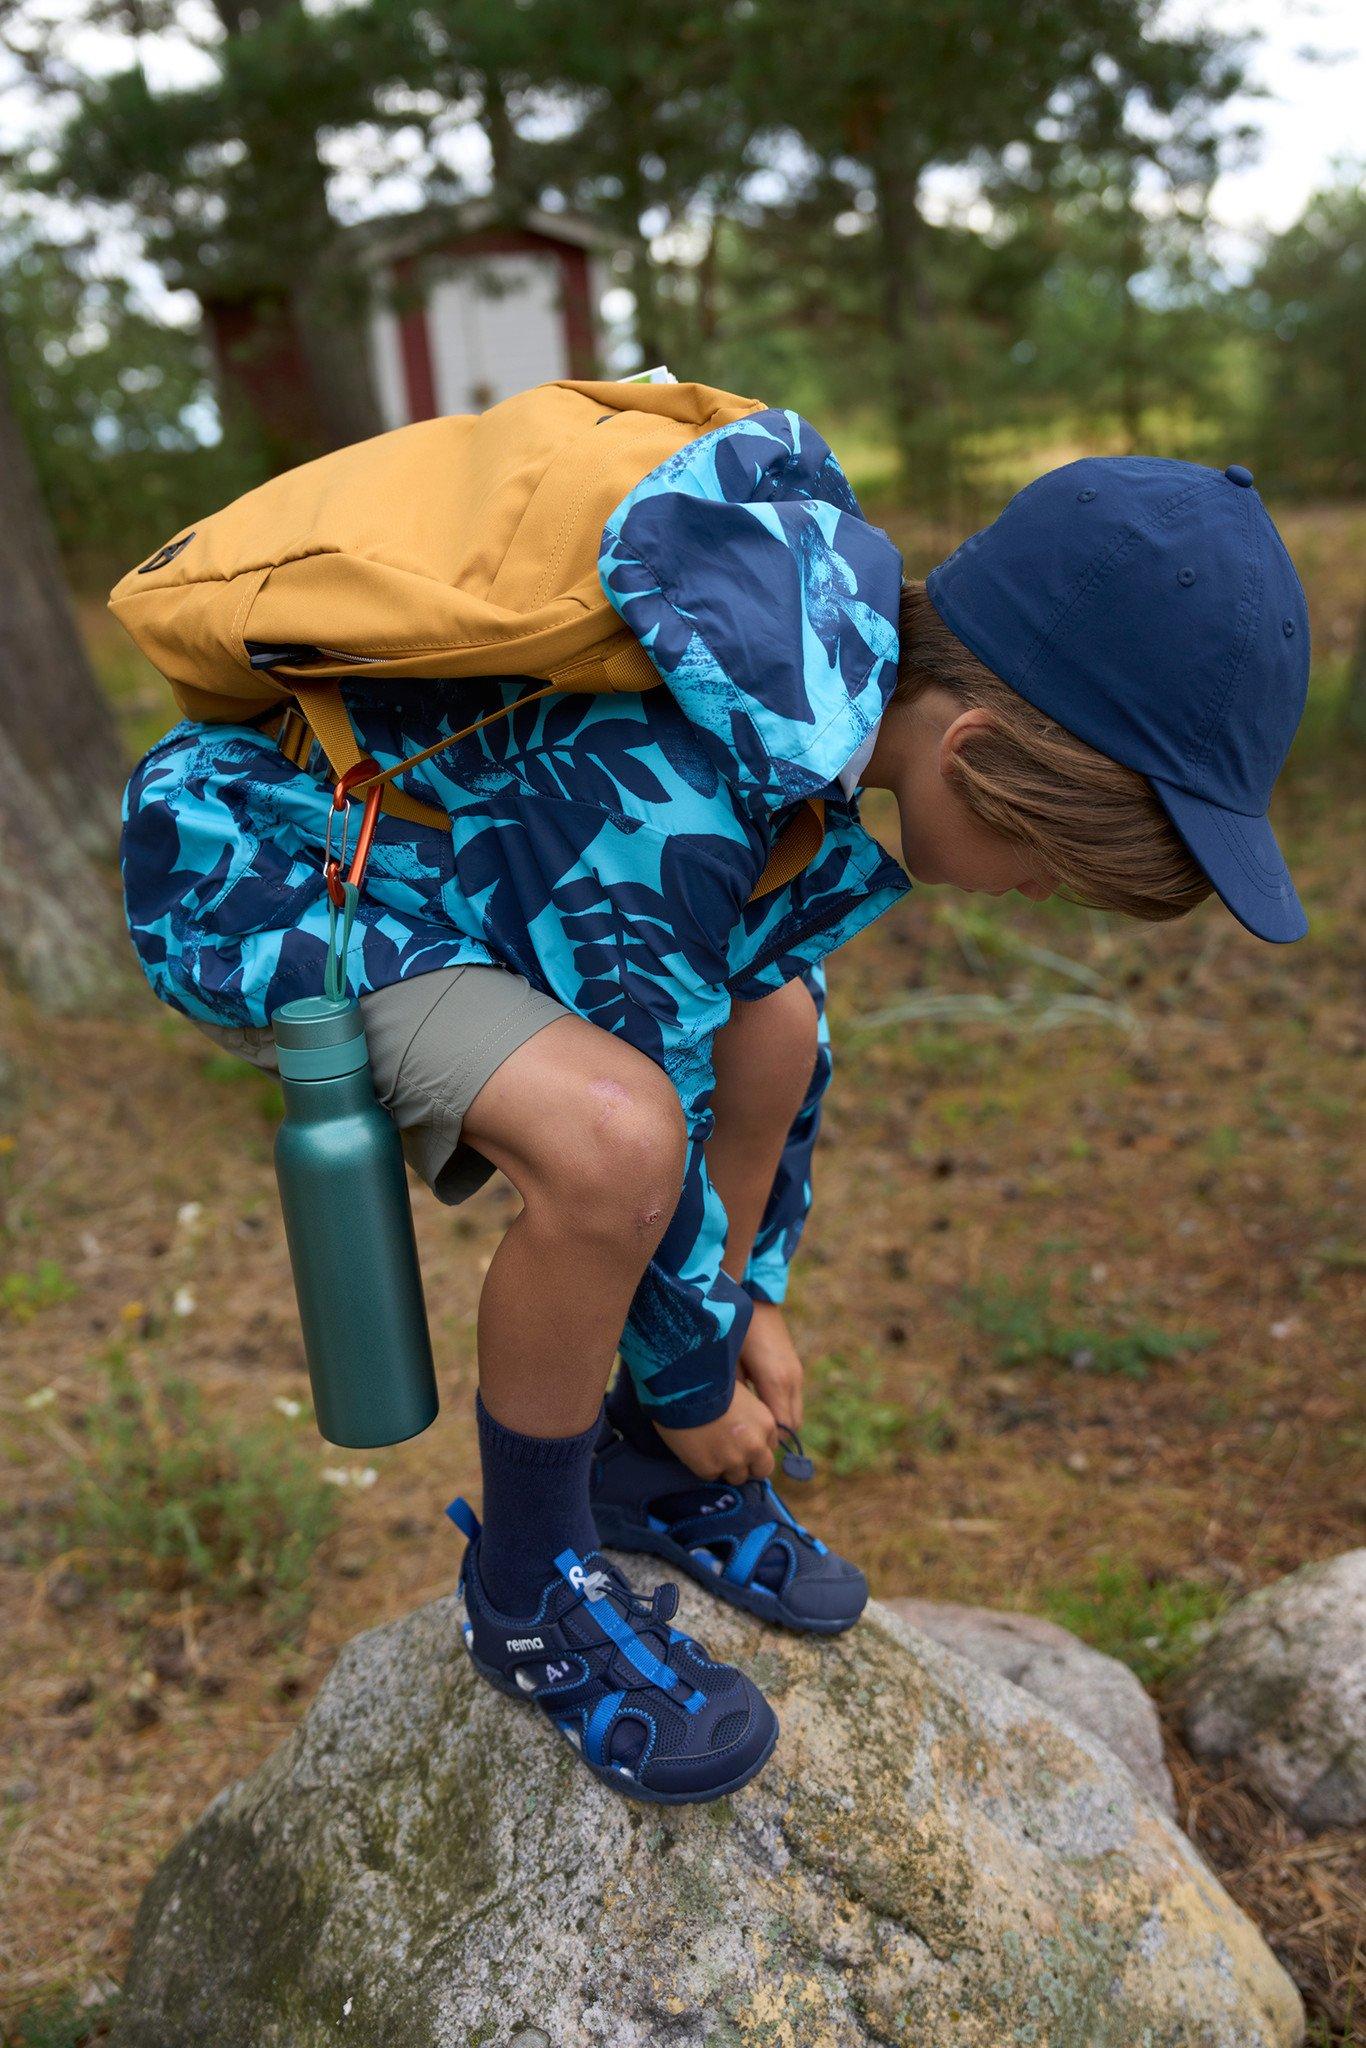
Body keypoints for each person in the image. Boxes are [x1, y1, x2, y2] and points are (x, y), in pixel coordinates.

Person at [120, 409, 1309, 1805]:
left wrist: (749, 1297)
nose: (1032, 891)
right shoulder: (684, 764)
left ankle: (637, 1473)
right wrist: (698, 1379)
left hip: (440, 860)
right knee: (607, 1141)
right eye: (1047, 861)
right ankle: (530, 1585)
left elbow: (756, 1004)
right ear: (977, 746)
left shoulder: (810, 705)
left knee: (779, 1023)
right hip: (268, 871)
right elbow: (647, 1087)